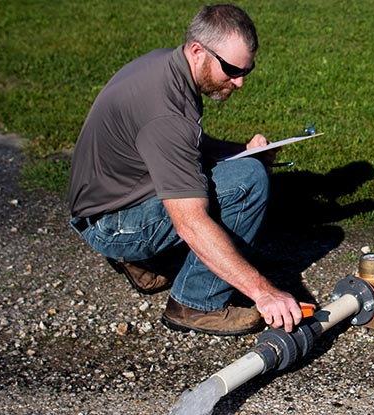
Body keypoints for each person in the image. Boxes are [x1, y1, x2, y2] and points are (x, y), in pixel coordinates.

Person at [67, 4, 303, 336]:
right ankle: (195, 303)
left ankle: (144, 261)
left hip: (109, 200)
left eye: (246, 72)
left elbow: (188, 144)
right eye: (233, 70)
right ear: (198, 50)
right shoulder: (166, 114)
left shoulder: (169, 66)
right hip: (109, 223)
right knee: (249, 181)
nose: (239, 83)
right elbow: (190, 224)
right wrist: (264, 292)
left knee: (245, 167)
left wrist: (243, 151)